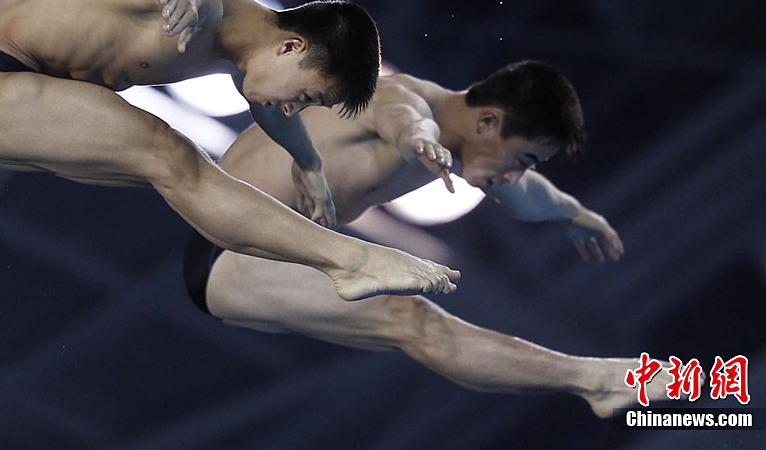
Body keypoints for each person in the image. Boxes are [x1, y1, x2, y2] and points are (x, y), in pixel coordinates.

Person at [0, 0, 458, 300]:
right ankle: (350, 261)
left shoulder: (243, 53)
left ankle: (335, 260)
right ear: (291, 46)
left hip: (13, 105)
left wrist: (309, 163)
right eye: (305, 96)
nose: (293, 109)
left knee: (185, 181)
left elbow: (266, 106)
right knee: (172, 156)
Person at [184, 60, 671, 416]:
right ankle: (596, 381)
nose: (511, 176)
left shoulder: (467, 141)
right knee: (411, 320)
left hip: (267, 253)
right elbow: (400, 118)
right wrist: (414, 138)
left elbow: (524, 193)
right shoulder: (404, 100)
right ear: (488, 121)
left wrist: (573, 212)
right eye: (521, 160)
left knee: (413, 324)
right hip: (229, 252)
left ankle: (594, 380)